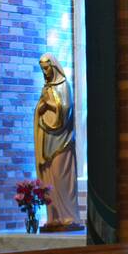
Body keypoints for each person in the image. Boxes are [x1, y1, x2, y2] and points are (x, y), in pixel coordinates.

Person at [34, 53, 82, 231]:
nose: (45, 72)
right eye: (42, 69)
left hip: (62, 141)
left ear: (53, 67)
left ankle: (69, 216)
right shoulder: (45, 88)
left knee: (62, 177)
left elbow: (66, 108)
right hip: (47, 139)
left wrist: (50, 104)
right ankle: (53, 217)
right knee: (49, 177)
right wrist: (41, 107)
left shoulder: (64, 85)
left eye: (46, 68)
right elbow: (39, 109)